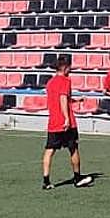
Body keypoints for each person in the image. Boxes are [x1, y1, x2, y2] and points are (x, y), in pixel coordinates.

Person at [42, 54, 94, 190]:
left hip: (53, 122)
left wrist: (76, 100)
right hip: (66, 123)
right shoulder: (65, 81)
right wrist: (66, 118)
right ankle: (77, 178)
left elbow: (59, 98)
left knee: (49, 150)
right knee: (73, 149)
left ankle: (46, 181)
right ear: (65, 68)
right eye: (69, 67)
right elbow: (62, 99)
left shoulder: (50, 82)